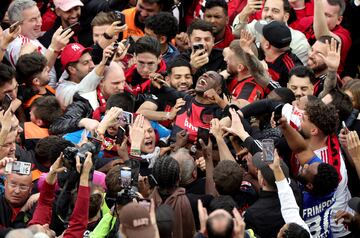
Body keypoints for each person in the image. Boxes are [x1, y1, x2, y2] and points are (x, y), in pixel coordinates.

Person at [6, 0, 73, 88]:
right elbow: (35, 75)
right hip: (40, 96)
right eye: (33, 19)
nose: (39, 22)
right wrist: (53, 48)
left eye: (39, 16)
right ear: (17, 24)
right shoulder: (20, 44)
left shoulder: (27, 36)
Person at [232, 0, 310, 65]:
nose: (268, 14)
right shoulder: (258, 26)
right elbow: (237, 33)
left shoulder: (298, 41)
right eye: (266, 9)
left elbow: (296, 74)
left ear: (286, 17)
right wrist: (244, 13)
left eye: (275, 11)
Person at [292, 0, 351, 75]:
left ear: (339, 20)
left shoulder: (344, 35)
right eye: (320, 13)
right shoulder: (307, 21)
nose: (321, 18)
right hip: (297, 72)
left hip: (325, 81)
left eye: (327, 15)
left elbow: (322, 36)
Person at [136, 58, 192, 126]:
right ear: (167, 79)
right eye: (177, 77)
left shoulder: (196, 96)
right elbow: (141, 112)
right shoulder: (161, 93)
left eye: (187, 77)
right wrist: (169, 115)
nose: (183, 81)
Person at [56, 42, 111, 108]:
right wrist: (103, 64)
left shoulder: (81, 74)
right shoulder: (63, 91)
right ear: (71, 69)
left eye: (91, 60)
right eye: (85, 63)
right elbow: (83, 87)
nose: (92, 65)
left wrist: (113, 58)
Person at [254, 21, 303, 87]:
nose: (259, 38)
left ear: (267, 45)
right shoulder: (261, 52)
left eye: (262, 35)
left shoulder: (292, 70)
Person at [0, 173, 34, 237]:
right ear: (5, 183)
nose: (17, 191)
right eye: (13, 185)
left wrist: (42, 196)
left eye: (23, 187)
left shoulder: (34, 205)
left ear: (31, 188)